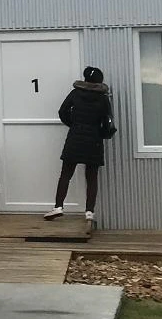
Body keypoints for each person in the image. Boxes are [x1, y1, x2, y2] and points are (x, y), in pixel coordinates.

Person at [44, 66, 114, 224]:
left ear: (85, 78)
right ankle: (89, 212)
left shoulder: (76, 93)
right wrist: (100, 133)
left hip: (75, 137)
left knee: (66, 174)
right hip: (94, 140)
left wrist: (74, 124)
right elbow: (107, 120)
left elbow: (62, 111)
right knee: (92, 177)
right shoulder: (103, 98)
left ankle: (58, 207)